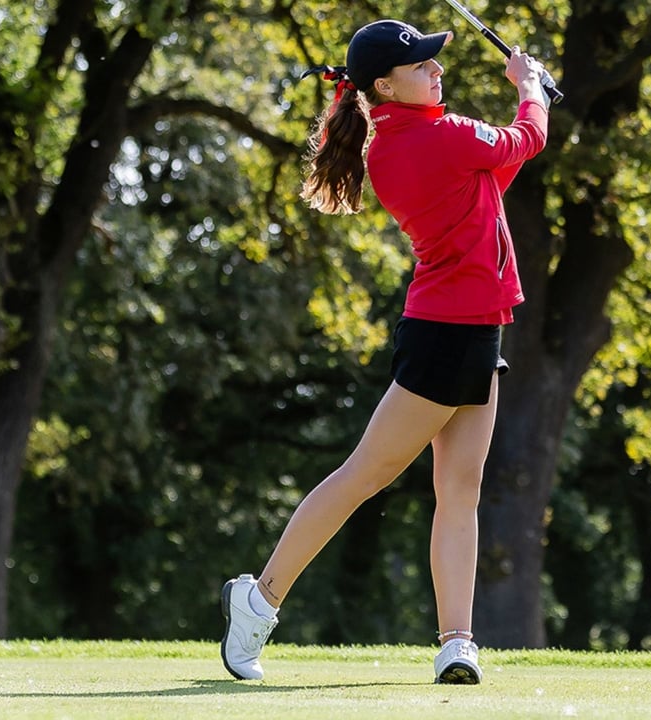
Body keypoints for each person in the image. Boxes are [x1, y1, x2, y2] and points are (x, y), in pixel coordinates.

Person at [220, 17, 550, 685]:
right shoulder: (436, 136)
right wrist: (530, 87)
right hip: (443, 334)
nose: (436, 69)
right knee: (364, 476)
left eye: (433, 60)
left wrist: (529, 98)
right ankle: (258, 601)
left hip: (478, 328)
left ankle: (457, 642)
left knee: (459, 491)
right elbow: (527, 139)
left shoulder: (413, 140)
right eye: (421, 64)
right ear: (386, 86)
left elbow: (492, 179)